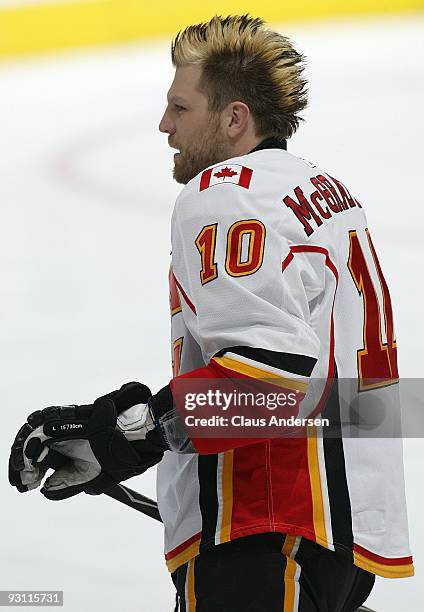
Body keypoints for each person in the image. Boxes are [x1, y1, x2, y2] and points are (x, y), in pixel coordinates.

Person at [9, 15, 413, 612]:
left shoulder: (228, 191)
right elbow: (327, 386)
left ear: (233, 118)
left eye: (181, 107)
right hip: (339, 536)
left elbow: (269, 376)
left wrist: (126, 436)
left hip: (262, 525)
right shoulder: (322, 192)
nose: (164, 124)